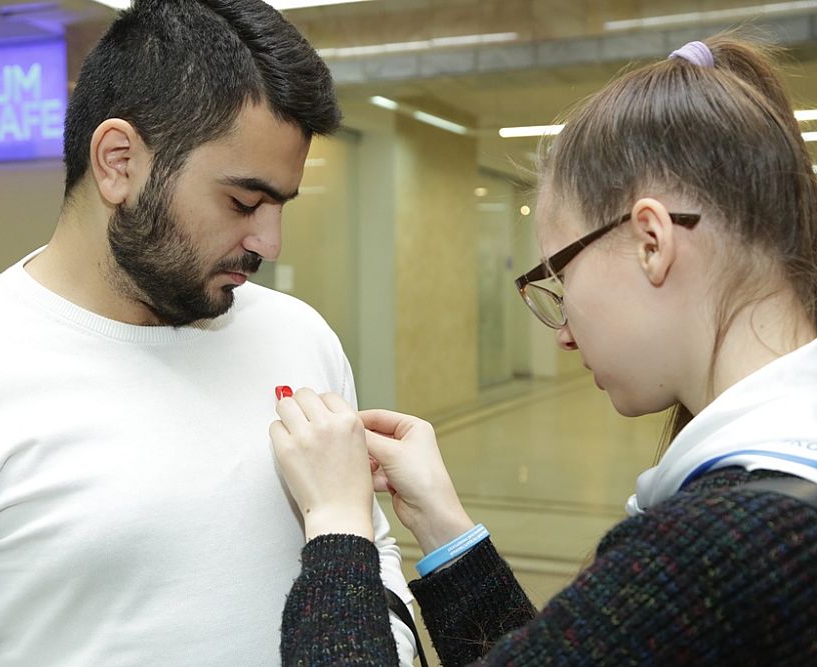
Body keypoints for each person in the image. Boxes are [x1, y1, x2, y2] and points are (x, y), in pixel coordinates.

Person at [0, 1, 417, 665]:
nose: (268, 242)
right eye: (244, 202)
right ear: (118, 161)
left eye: (279, 205)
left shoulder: (301, 337)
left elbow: (372, 549)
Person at [272, 34, 817, 665]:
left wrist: (338, 523)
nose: (562, 333)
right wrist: (442, 523)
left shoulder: (729, 545)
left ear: (652, 241)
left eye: (560, 277)